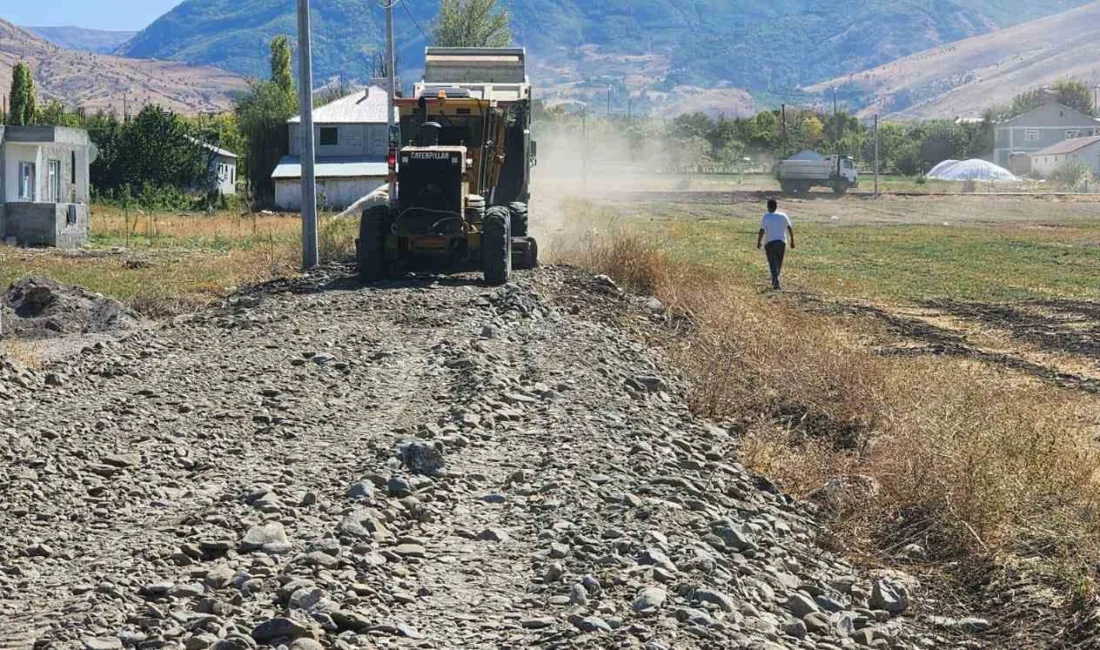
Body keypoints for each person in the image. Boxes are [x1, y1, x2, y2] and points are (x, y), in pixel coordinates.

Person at [756, 198, 794, 290]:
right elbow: (789, 228)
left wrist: (759, 242)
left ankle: (775, 281)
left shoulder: (767, 216)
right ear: (776, 206)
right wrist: (792, 241)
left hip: (770, 242)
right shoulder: (783, 215)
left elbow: (762, 230)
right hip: (781, 242)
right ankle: (775, 279)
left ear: (768, 207)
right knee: (778, 262)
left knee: (772, 262)